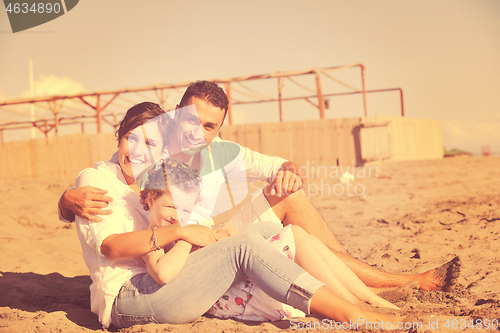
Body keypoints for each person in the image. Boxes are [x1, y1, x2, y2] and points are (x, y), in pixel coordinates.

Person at [60, 80, 461, 292]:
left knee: (292, 195)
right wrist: (65, 201)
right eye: (190, 119)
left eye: (210, 126)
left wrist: (289, 169)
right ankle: (402, 283)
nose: (197, 132)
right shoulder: (153, 149)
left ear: (219, 129)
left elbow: (279, 166)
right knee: (283, 230)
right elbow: (113, 186)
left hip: (218, 238)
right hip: (193, 254)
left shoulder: (224, 153)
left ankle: (381, 280)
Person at [74, 102, 405, 329]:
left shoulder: (158, 175)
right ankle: (354, 315)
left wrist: (202, 235)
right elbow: (111, 247)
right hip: (129, 298)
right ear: (119, 136)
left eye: (149, 143)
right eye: (131, 139)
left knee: (273, 235)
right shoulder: (96, 179)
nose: (136, 151)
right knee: (244, 246)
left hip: (172, 277)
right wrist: (183, 234)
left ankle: (362, 298)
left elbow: (256, 164)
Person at [139, 158, 399, 322]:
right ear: (151, 200)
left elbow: (218, 251)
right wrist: (186, 237)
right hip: (224, 298)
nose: (178, 217)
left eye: (185, 210)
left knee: (296, 234)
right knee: (290, 241)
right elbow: (164, 272)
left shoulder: (186, 224)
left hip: (232, 281)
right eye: (171, 207)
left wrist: (220, 235)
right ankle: (353, 304)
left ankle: (366, 297)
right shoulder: (151, 238)